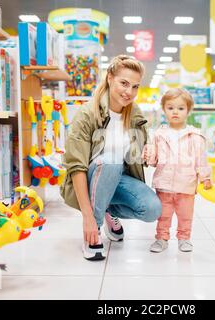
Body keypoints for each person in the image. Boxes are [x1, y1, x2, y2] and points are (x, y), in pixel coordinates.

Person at [61, 55, 162, 261]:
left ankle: (107, 210)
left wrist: (149, 147)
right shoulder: (87, 114)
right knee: (111, 160)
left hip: (117, 179)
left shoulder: (134, 112)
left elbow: (142, 142)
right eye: (124, 83)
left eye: (135, 87)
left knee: (152, 209)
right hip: (91, 178)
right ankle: (93, 231)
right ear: (109, 78)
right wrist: (88, 218)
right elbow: (77, 167)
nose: (129, 92)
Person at [143, 88, 212, 253]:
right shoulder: (158, 135)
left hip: (186, 185)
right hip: (164, 184)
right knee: (163, 215)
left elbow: (201, 160)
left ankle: (184, 238)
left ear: (188, 110)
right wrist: (148, 154)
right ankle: (161, 238)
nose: (175, 112)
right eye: (170, 108)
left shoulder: (195, 136)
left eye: (181, 108)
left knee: (185, 216)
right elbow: (154, 161)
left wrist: (205, 177)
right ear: (164, 109)